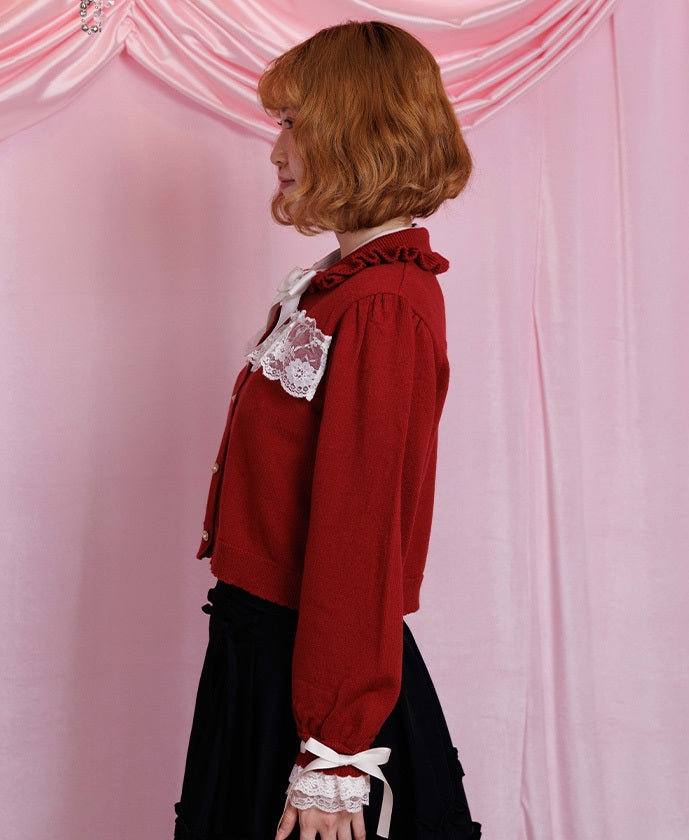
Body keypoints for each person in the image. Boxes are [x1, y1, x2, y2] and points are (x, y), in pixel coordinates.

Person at [174, 20, 482, 840]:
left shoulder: (382, 303)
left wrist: (334, 752)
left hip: (308, 664)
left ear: (356, 130)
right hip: (262, 647)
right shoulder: (343, 287)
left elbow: (359, 534)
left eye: (294, 123)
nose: (277, 150)